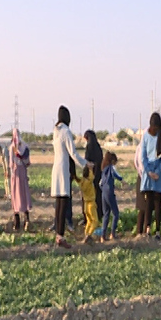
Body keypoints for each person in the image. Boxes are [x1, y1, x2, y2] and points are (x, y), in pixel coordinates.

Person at [51, 106, 93, 248]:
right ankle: (61, 237)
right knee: (63, 203)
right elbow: (73, 153)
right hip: (63, 169)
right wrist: (86, 164)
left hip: (56, 168)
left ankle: (58, 234)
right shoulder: (65, 131)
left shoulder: (55, 131)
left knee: (59, 203)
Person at [141, 112, 161, 240]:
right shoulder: (145, 136)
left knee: (158, 203)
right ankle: (147, 229)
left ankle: (158, 231)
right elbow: (143, 157)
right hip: (149, 173)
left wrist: (157, 171)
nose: (155, 130)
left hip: (159, 173)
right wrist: (148, 171)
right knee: (149, 203)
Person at [9, 129, 32, 231]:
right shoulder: (25, 147)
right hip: (22, 171)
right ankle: (27, 219)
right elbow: (27, 162)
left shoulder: (12, 147)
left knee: (15, 195)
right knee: (24, 194)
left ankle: (17, 223)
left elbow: (11, 163)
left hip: (16, 173)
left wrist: (12, 173)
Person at [99, 151, 123, 242]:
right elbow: (115, 174)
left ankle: (102, 236)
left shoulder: (103, 170)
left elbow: (100, 184)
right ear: (112, 161)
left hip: (103, 193)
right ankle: (112, 234)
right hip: (109, 192)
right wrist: (122, 180)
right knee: (116, 213)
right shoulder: (111, 168)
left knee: (106, 214)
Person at [83, 130, 104, 222]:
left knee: (88, 197)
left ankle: (87, 218)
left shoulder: (89, 147)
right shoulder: (98, 147)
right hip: (99, 174)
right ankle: (99, 215)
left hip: (90, 176)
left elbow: (86, 162)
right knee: (98, 196)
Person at [78, 165, 99, 244]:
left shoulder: (82, 182)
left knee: (89, 221)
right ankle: (89, 235)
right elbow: (92, 176)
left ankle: (86, 234)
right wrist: (91, 167)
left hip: (86, 204)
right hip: (91, 203)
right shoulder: (90, 180)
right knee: (95, 221)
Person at [133, 141, 146, 236]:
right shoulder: (144, 147)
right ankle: (142, 231)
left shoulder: (139, 146)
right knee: (144, 206)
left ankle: (141, 231)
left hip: (141, 177)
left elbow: (136, 163)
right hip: (145, 177)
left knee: (144, 207)